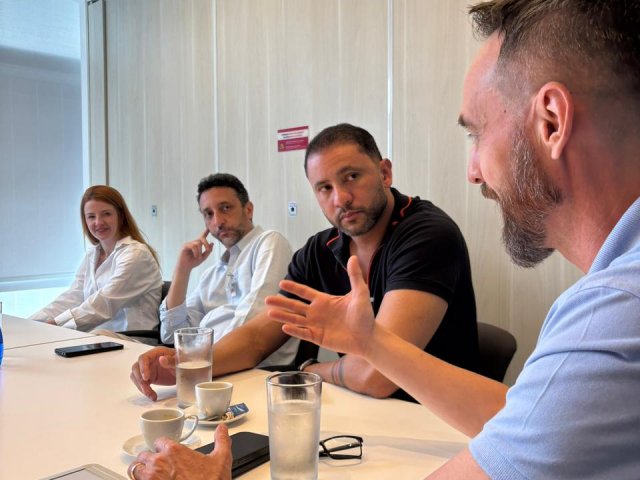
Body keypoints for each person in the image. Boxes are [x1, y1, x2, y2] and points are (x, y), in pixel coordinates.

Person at [268, 1, 640, 479]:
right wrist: (371, 343)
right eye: (324, 188)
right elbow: (529, 418)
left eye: (477, 134)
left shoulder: (614, 311)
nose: (473, 171)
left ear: (551, 122)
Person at [131, 123, 477, 405]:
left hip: (435, 421)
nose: (341, 198)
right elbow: (257, 338)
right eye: (324, 188)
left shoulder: (427, 235)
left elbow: (379, 375)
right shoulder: (319, 251)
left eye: (352, 177)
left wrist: (310, 370)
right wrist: (186, 365)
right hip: (360, 409)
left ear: (384, 173)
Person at [156, 173, 294, 359]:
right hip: (209, 364)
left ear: (248, 210)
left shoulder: (269, 243)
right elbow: (171, 335)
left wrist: (196, 357)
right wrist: (183, 270)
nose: (217, 222)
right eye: (208, 214)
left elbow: (252, 319)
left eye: (225, 208)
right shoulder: (212, 274)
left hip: (254, 368)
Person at [29, 185, 162, 332]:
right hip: (97, 337)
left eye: (106, 214)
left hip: (130, 340)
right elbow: (74, 296)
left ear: (121, 216)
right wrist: (31, 323)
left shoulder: (137, 255)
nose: (98, 222)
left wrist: (55, 324)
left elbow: (104, 304)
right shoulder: (93, 254)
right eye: (91, 216)